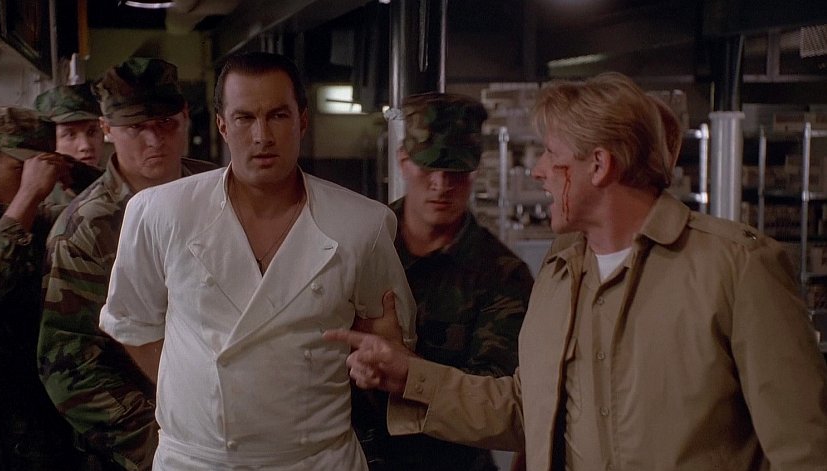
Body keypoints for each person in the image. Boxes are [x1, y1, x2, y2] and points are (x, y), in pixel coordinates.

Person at [326, 72, 827, 470]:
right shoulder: (561, 273)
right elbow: (525, 409)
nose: (538, 170)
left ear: (599, 165)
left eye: (552, 153)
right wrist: (407, 376)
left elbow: (804, 449)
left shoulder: (736, 268)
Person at [97, 51, 416, 470]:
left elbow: (388, 341)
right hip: (197, 460)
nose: (262, 136)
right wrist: (202, 391)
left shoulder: (362, 224)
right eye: (245, 118)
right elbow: (133, 324)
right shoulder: (159, 212)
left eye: (278, 116)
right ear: (222, 125)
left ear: (302, 120)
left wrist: (386, 351)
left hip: (314, 459)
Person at [38, 57, 217, 471]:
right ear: (107, 128)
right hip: (149, 436)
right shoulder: (85, 230)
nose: (154, 140)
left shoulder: (219, 192)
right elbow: (69, 363)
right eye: (136, 127)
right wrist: (161, 446)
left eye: (165, 123)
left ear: (185, 116)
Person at [352, 92, 533, 471]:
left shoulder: (501, 275)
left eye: (456, 172)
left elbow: (496, 400)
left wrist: (406, 367)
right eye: (429, 167)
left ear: (474, 171)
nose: (441, 184)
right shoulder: (359, 244)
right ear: (403, 161)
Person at [0, 105, 97, 470]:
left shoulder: (34, 218)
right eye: (19, 168)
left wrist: (78, 176)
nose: (37, 181)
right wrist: (27, 196)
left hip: (42, 413)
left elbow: (119, 209)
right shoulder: (21, 211)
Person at [34, 83, 105, 207]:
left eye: (92, 132)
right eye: (70, 134)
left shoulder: (120, 184)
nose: (85, 146)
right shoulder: (38, 198)